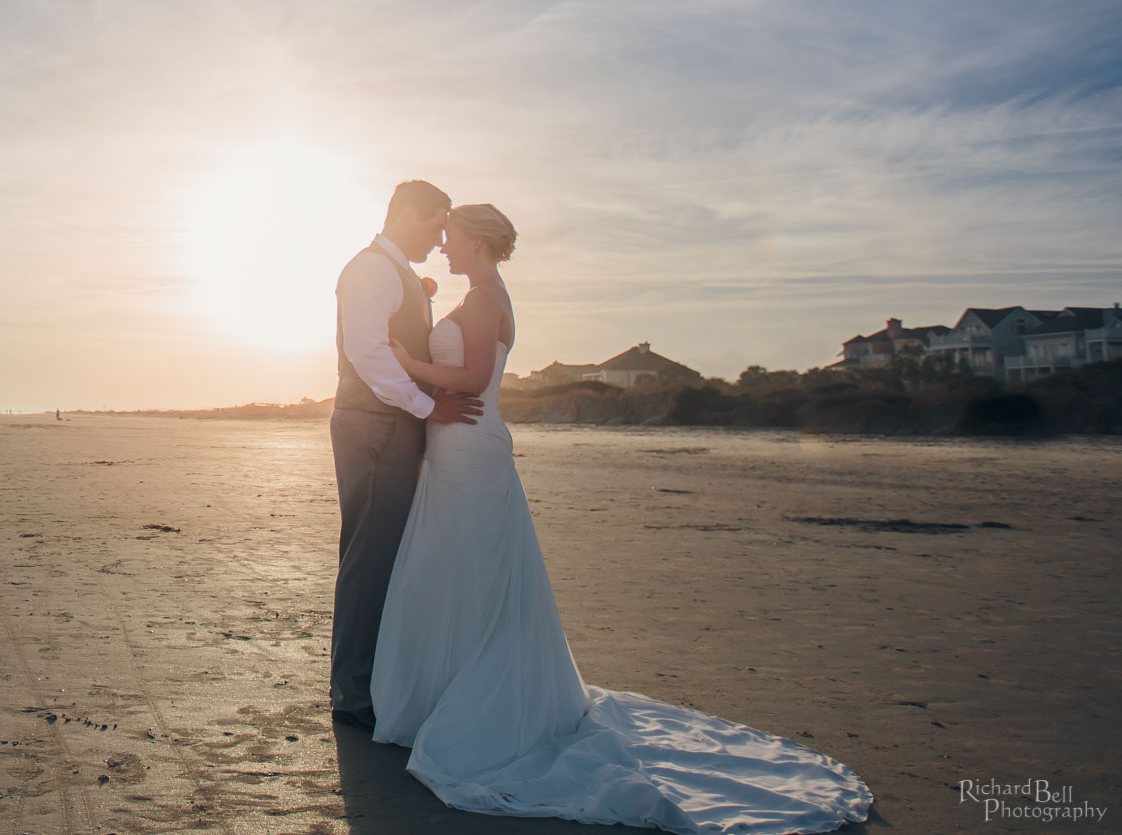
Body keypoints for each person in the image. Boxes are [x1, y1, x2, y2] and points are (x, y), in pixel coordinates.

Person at [367, 203, 872, 833]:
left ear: (476, 242)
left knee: (467, 567)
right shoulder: (483, 294)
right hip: (461, 445)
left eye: (451, 239)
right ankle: (444, 693)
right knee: (458, 567)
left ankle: (468, 704)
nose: (442, 247)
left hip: (469, 445)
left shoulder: (488, 297)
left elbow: (470, 378)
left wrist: (409, 364)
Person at [330, 179, 485, 731]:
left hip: (393, 425)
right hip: (375, 427)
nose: (441, 237)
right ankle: (352, 694)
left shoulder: (393, 273)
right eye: (436, 223)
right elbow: (367, 352)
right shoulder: (371, 269)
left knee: (388, 553)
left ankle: (372, 681)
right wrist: (425, 406)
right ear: (409, 214)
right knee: (370, 555)